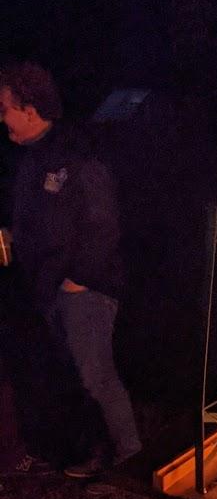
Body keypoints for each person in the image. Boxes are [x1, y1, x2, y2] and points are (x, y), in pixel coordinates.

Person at [0, 62, 141, 476]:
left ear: (30, 109)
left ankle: (130, 455)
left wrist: (79, 279)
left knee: (94, 376)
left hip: (85, 288)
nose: (0, 116)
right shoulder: (30, 160)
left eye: (4, 107)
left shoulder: (74, 152)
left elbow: (102, 222)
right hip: (49, 288)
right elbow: (39, 224)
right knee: (74, 377)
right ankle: (94, 451)